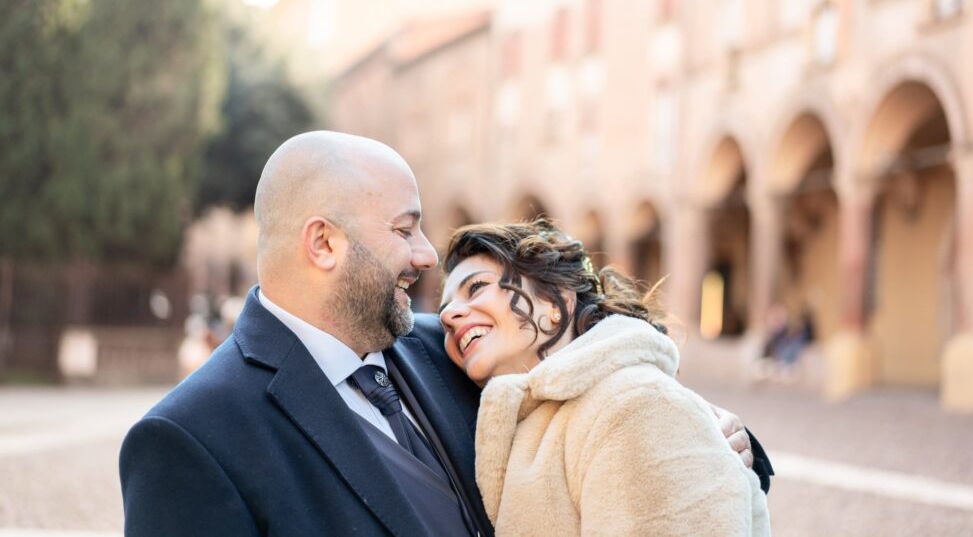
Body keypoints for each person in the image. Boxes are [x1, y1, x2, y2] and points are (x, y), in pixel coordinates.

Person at [120, 131, 771, 536]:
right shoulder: (189, 439)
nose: (427, 255)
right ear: (323, 243)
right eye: (405, 229)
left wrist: (721, 436)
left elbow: (599, 390)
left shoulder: (449, 349)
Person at [439, 220, 771, 536]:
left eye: (476, 287)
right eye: (444, 308)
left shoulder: (637, 406)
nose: (447, 316)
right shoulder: (544, 422)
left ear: (556, 299)